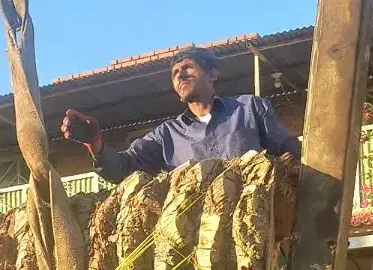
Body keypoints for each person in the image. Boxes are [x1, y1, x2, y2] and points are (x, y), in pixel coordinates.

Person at [60, 47, 300, 185]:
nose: (180, 75)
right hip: (198, 251)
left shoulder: (249, 109)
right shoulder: (167, 135)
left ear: (213, 74)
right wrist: (95, 145)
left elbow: (291, 157)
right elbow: (122, 169)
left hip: (254, 237)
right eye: (175, 73)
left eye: (187, 68)